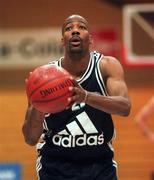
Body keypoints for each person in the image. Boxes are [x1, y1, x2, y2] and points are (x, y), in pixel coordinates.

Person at [22, 14, 131, 180]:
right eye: (68, 28)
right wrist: (37, 105)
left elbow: (125, 107)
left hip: (100, 167)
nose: (75, 31)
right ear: (62, 40)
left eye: (81, 27)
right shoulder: (44, 77)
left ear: (91, 39)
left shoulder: (107, 66)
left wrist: (86, 97)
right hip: (55, 168)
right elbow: (30, 139)